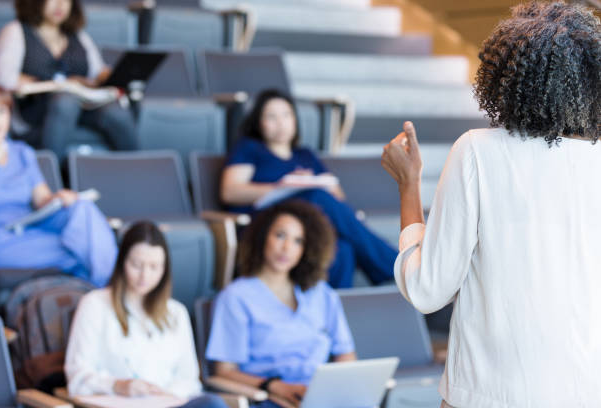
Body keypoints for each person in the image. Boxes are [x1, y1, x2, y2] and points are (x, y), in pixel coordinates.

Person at [381, 3, 601, 408]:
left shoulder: (478, 152)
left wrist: (408, 184)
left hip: (487, 394)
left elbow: (428, 288)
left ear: (506, 77)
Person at [221, 89, 398, 288]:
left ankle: (336, 309)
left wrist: (313, 182)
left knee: (343, 248)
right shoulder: (250, 148)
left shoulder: (305, 155)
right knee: (315, 196)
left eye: (286, 115)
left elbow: (338, 196)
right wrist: (281, 186)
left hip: (307, 224)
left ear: (295, 120)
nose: (280, 122)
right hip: (267, 221)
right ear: (258, 122)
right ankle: (393, 267)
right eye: (271, 116)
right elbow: (230, 191)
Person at [206, 201, 356, 408]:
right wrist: (274, 387)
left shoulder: (322, 294)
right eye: (280, 235)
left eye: (298, 241)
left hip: (321, 396)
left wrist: (338, 389)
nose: (286, 248)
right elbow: (224, 371)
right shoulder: (236, 297)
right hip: (271, 397)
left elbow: (345, 354)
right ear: (263, 237)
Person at [65, 221, 227, 408]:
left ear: (165, 269)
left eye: (154, 267)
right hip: (118, 404)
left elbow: (189, 380)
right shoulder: (95, 305)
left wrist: (164, 394)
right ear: (122, 262)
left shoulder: (176, 312)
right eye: (136, 265)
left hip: (167, 403)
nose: (145, 276)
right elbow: (78, 377)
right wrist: (118, 385)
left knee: (212, 403)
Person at [0, 83, 116, 287]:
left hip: (29, 226)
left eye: (2, 112)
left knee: (82, 208)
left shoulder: (22, 152)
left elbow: (42, 199)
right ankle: (109, 290)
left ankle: (104, 288)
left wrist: (57, 199)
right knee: (81, 248)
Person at [0, 0, 137, 160]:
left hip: (83, 106)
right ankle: (50, 176)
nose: (60, 4)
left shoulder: (77, 35)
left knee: (115, 111)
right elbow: (4, 78)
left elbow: (97, 72)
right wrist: (54, 83)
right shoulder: (16, 31)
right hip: (36, 111)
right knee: (65, 102)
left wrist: (122, 73)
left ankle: (136, 169)